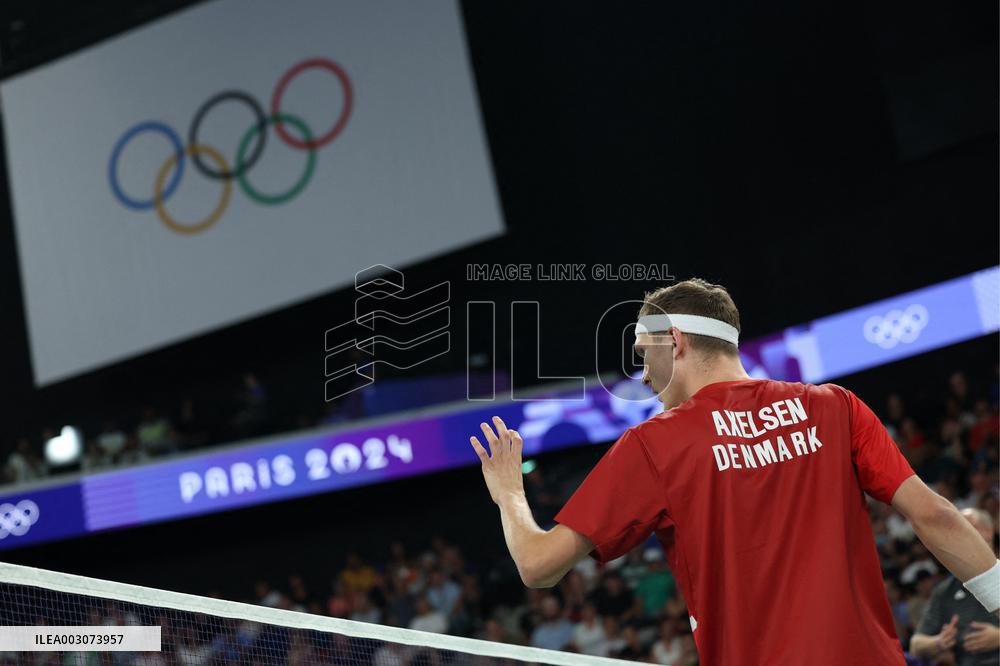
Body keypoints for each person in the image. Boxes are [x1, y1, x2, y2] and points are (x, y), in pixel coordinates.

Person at [469, 278, 1000, 665]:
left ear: (673, 341)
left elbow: (538, 567)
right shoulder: (834, 405)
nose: (644, 376)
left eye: (643, 353)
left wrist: (509, 495)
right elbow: (935, 514)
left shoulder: (654, 445)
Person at [910, 508, 1000, 665]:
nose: (959, 538)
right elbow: (916, 645)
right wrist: (938, 642)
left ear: (988, 532)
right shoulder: (945, 590)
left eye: (968, 529)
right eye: (954, 533)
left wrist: (998, 637)